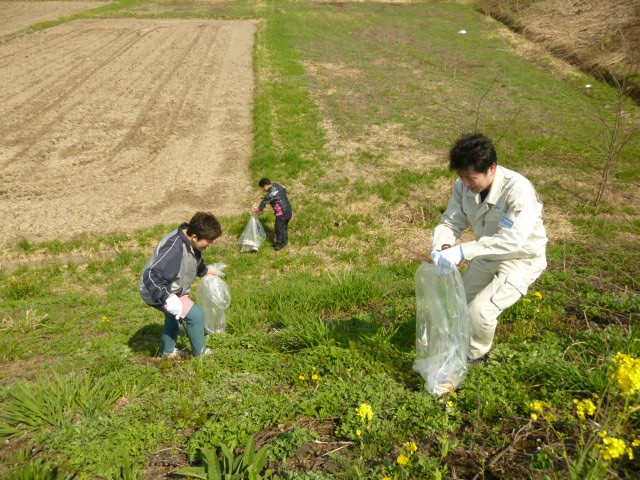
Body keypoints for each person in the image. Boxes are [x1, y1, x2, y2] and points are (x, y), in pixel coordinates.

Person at [430, 133, 547, 364]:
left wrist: (462, 251)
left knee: (481, 311)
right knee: (458, 303)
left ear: (491, 168)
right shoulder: (464, 187)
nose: (466, 184)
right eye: (461, 177)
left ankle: (475, 356)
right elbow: (451, 221)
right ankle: (453, 344)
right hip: (487, 254)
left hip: (521, 258)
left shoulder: (518, 190)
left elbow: (512, 239)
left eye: (471, 178)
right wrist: (443, 247)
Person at [140, 211, 223, 359]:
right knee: (196, 315)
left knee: (174, 317)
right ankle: (201, 355)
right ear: (194, 237)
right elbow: (151, 275)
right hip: (156, 290)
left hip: (171, 289)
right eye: (209, 241)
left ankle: (168, 353)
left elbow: (194, 258)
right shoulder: (174, 249)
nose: (211, 244)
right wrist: (167, 297)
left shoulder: (190, 240)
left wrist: (204, 271)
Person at [252, 178, 293, 251]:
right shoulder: (277, 185)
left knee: (278, 229)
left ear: (265, 186)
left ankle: (279, 244)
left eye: (263, 188)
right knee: (284, 227)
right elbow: (284, 188)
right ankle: (284, 242)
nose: (263, 190)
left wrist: (257, 210)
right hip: (288, 210)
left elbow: (263, 203)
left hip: (281, 213)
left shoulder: (270, 194)